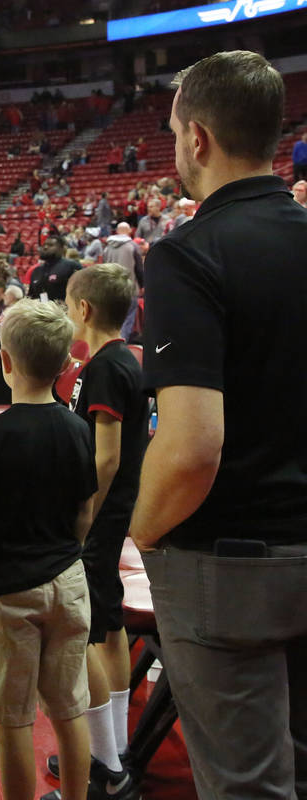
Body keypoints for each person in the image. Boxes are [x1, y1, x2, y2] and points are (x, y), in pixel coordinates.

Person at [132, 50, 307, 800]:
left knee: (247, 786)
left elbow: (194, 445)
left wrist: (138, 530)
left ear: (196, 139)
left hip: (228, 563)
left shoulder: (186, 255)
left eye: (174, 131)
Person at [0, 299, 96, 800]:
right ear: (65, 366)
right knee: (68, 707)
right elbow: (85, 512)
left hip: (10, 588)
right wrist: (67, 554)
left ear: (5, 362)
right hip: (68, 579)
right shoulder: (78, 428)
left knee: (13, 717)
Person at [49, 264, 146, 800]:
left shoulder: (107, 368)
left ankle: (105, 767)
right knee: (108, 627)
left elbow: (105, 460)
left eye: (67, 303)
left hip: (101, 517)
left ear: (83, 309)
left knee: (85, 631)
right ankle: (118, 750)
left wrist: (83, 516)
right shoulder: (125, 359)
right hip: (115, 517)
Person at [27, 236, 80, 303]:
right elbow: (31, 297)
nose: (45, 247)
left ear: (61, 249)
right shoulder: (36, 271)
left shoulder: (72, 266)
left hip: (63, 311)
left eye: (51, 245)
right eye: (44, 245)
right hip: (41, 311)